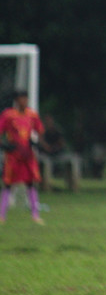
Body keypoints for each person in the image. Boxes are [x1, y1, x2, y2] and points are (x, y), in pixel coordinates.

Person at [0, 91, 46, 224]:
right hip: (13, 156)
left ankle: (35, 215)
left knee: (30, 183)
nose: (24, 101)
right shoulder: (8, 115)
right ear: (16, 100)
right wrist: (5, 145)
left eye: (26, 99)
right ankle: (2, 215)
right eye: (21, 99)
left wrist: (37, 143)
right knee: (8, 184)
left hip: (28, 155)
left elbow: (40, 130)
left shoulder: (32, 115)